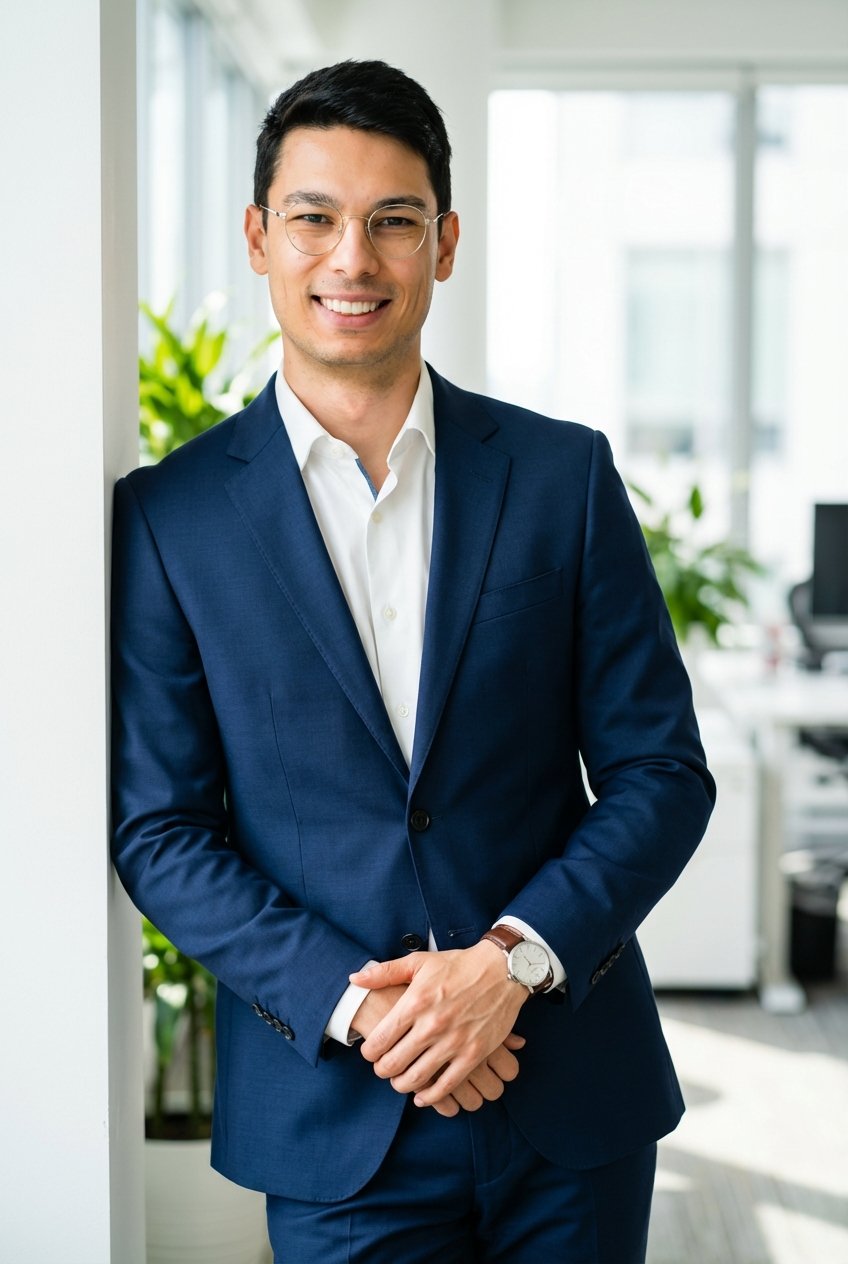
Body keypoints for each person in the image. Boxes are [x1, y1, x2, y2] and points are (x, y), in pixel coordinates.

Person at [111, 58, 715, 1263]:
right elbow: (161, 830)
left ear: (442, 244)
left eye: (392, 221)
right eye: (314, 218)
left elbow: (659, 770)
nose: (352, 258)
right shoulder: (169, 520)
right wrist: (368, 1004)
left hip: (568, 1098)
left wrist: (505, 962)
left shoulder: (561, 478)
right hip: (337, 1115)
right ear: (257, 237)